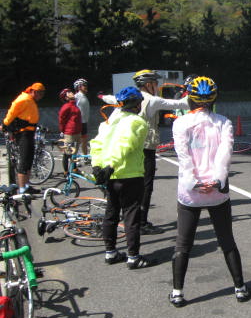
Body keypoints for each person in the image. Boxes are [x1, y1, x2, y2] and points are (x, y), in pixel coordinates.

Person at [169, 76, 250, 307]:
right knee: (227, 241)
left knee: (183, 244)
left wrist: (194, 182)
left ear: (190, 99)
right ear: (214, 98)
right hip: (217, 191)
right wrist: (216, 180)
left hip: (190, 192)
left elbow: (183, 158)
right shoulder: (224, 122)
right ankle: (240, 288)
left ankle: (177, 292)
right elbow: (225, 155)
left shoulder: (180, 123)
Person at [100, 70, 189, 234]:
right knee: (145, 186)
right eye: (155, 83)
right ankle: (141, 222)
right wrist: (195, 95)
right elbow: (177, 104)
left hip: (127, 148)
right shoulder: (152, 100)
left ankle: (130, 222)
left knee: (126, 186)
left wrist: (102, 97)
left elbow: (110, 99)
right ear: (148, 85)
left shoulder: (127, 98)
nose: (157, 86)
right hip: (146, 149)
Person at [90, 86, 153, 270]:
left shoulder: (110, 121)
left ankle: (110, 253)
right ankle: (133, 257)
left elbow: (97, 144)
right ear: (136, 104)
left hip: (111, 176)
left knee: (111, 214)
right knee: (131, 215)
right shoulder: (137, 122)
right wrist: (111, 165)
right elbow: (125, 145)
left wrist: (98, 166)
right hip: (130, 175)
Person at [2, 82, 46, 194]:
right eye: (39, 93)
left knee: (29, 160)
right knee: (24, 159)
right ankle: (22, 189)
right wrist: (5, 124)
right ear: (33, 91)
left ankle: (26, 186)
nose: (41, 96)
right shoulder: (24, 99)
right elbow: (12, 111)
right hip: (23, 134)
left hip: (29, 133)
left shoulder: (30, 100)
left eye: (42, 94)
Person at [58, 88, 82, 176]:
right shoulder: (66, 106)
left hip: (77, 132)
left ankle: (75, 168)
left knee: (75, 152)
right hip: (69, 133)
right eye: (68, 92)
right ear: (66, 98)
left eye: (70, 91)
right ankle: (66, 171)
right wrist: (62, 130)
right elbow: (61, 119)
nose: (71, 92)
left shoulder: (75, 105)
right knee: (67, 152)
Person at [73, 78, 90, 156]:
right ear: (79, 87)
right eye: (84, 85)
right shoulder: (76, 96)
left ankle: (85, 157)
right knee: (77, 142)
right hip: (78, 123)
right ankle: (76, 159)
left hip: (84, 122)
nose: (86, 87)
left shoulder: (84, 96)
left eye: (86, 85)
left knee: (84, 141)